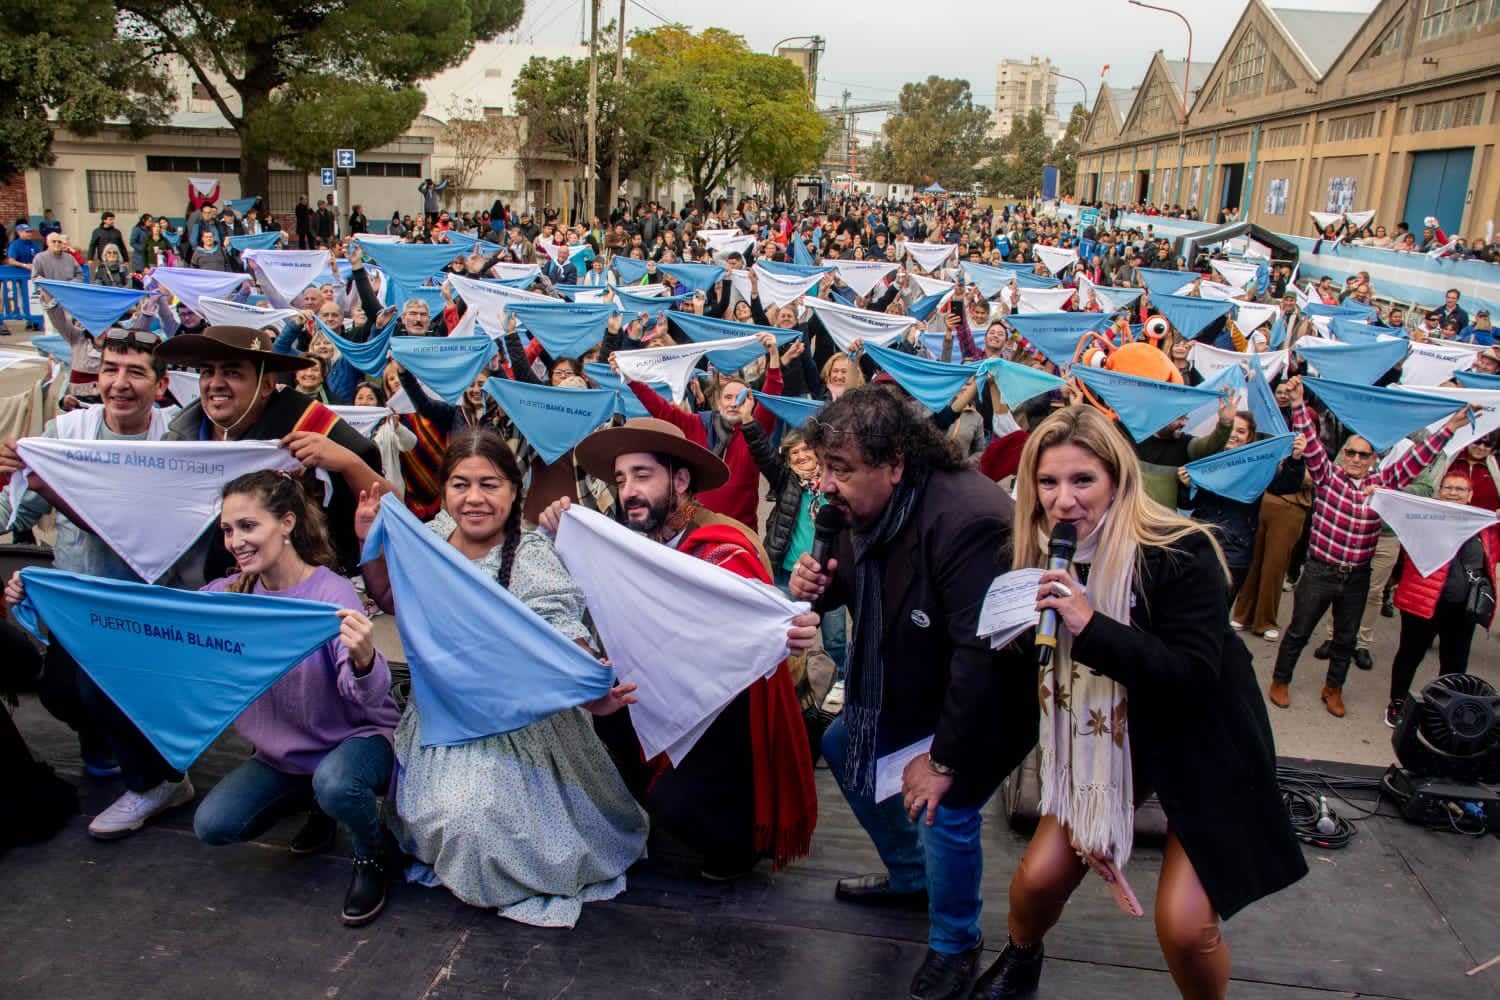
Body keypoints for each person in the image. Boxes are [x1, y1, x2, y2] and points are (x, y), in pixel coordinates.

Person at [969, 405, 1305, 1000]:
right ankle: (1021, 961)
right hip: (1103, 741)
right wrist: (948, 759)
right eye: (1048, 482)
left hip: (1201, 740)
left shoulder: (1181, 551)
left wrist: (1088, 624)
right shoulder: (1036, 554)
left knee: (1183, 925)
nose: (1063, 501)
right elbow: (1002, 678)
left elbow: (1191, 677)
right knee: (1038, 878)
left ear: (1118, 479)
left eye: (1082, 481)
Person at [788, 385, 1037, 1000]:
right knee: (847, 743)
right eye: (822, 468)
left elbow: (984, 659)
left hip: (988, 698)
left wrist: (943, 758)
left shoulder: (969, 520)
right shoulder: (863, 506)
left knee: (943, 808)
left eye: (840, 469)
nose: (825, 485)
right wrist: (818, 583)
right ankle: (911, 877)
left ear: (895, 463)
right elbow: (860, 583)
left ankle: (956, 942)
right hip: (914, 680)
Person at [356, 430, 649, 926]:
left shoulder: (531, 555)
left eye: (489, 484)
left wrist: (589, 687)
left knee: (486, 820)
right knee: (454, 817)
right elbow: (390, 599)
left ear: (514, 489)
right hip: (446, 719)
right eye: (460, 484)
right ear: (445, 491)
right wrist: (371, 539)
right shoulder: (427, 539)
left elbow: (561, 627)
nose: (474, 498)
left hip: (522, 721)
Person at [538, 417, 820, 881]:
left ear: (681, 480)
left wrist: (784, 633)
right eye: (622, 478)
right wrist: (561, 527)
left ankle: (741, 833)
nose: (628, 490)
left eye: (643, 476)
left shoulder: (726, 544)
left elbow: (759, 633)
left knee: (681, 811)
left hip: (726, 720)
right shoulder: (629, 546)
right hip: (654, 700)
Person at [0, 329, 195, 839]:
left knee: (104, 687)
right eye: (110, 369)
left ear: (161, 384)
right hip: (78, 603)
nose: (119, 383)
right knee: (61, 692)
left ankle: (160, 779)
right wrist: (5, 477)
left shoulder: (178, 440)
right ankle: (103, 736)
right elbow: (17, 511)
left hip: (150, 603)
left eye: (135, 372)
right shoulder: (68, 432)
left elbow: (149, 531)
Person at [187, 471, 400, 926]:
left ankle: (374, 855)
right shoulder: (229, 596)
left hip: (358, 738)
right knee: (214, 825)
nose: (235, 540)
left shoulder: (330, 593)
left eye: (247, 526)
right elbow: (159, 617)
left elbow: (368, 695)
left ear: (286, 523)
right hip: (286, 755)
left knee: (337, 782)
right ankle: (320, 805)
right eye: (227, 529)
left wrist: (364, 661)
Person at [1268, 376, 1468, 717]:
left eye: (1364, 454)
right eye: (1351, 453)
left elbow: (1419, 459)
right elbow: (1313, 443)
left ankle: (1333, 688)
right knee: (1299, 630)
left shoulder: (1384, 483)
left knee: (1345, 640)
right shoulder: (1328, 476)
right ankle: (1281, 681)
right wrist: (1299, 403)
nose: (1357, 459)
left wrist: (1451, 426)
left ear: (1374, 459)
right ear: (1342, 454)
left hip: (1357, 575)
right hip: (1320, 570)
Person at [155, 325, 386, 580]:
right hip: (199, 594)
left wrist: (348, 463)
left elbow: (393, 505)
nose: (216, 383)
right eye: (207, 372)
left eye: (232, 372)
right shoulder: (177, 439)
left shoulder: (309, 424)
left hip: (289, 594)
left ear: (266, 385)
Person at [1384, 471, 1500, 727]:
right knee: (1409, 655)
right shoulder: (1423, 519)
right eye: (1447, 488)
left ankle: (1446, 707)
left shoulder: (1484, 527)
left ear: (1470, 496)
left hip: (1462, 608)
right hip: (1422, 603)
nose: (1453, 493)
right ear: (1438, 492)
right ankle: (1397, 703)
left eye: (1460, 489)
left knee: (1455, 661)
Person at [1177, 411, 1306, 598]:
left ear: (1249, 437)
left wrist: (1295, 460)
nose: (1234, 435)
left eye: (1241, 431)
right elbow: (1186, 505)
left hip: (1236, 550)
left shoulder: (1257, 465)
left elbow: (1285, 485)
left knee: (1219, 610)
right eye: (1231, 429)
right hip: (1201, 544)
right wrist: (1185, 486)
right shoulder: (1205, 461)